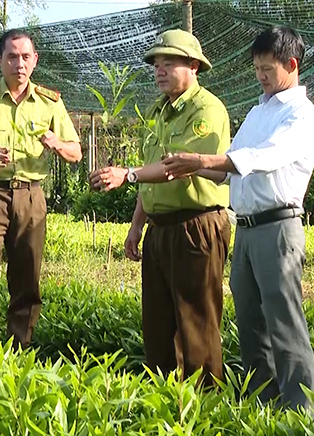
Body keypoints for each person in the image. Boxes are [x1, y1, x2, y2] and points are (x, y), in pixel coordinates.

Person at [162, 26, 314, 409]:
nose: (261, 76)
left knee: (284, 322)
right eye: (257, 69)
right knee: (250, 323)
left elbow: (262, 158)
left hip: (278, 227)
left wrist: (201, 159)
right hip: (247, 229)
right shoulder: (256, 111)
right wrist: (191, 166)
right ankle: (263, 403)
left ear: (291, 65)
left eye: (267, 69)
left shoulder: (300, 114)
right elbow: (229, 167)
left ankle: (302, 410)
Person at [89, 29, 231, 386]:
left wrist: (128, 174)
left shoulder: (207, 110)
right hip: (160, 227)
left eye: (169, 63)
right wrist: (137, 225)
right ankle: (167, 402)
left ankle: (206, 403)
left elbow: (175, 168)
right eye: (156, 64)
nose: (159, 70)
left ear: (194, 66)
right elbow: (150, 172)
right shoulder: (156, 111)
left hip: (196, 225)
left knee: (196, 322)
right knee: (158, 323)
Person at [0, 29, 82, 349]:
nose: (18, 63)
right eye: (11, 56)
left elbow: (76, 152)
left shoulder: (50, 103)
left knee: (27, 277)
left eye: (25, 57)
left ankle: (19, 347)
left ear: (35, 60)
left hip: (30, 196)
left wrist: (56, 143)